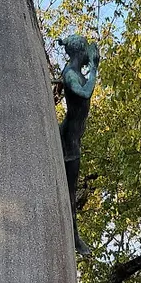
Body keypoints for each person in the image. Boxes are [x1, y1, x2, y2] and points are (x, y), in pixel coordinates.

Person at [59, 35, 100, 257]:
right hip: (69, 143)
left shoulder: (76, 73)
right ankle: (73, 237)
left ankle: (73, 234)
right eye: (86, 51)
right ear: (79, 52)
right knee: (70, 192)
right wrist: (94, 70)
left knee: (70, 191)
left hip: (74, 138)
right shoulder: (71, 75)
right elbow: (84, 93)